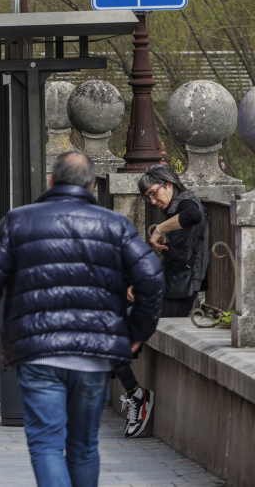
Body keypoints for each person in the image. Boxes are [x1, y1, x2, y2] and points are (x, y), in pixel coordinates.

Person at [0, 151, 164, 487]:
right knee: (84, 446)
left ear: (51, 181)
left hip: (37, 352)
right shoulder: (114, 225)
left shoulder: (19, 221)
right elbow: (151, 278)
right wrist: (135, 332)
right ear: (90, 185)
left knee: (45, 444)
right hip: (94, 355)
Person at [114, 164, 210, 438]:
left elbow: (193, 215)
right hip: (166, 289)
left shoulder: (187, 202)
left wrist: (157, 229)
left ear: (169, 184)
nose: (152, 200)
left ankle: (136, 396)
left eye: (154, 193)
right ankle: (130, 388)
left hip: (179, 299)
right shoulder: (173, 209)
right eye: (147, 197)